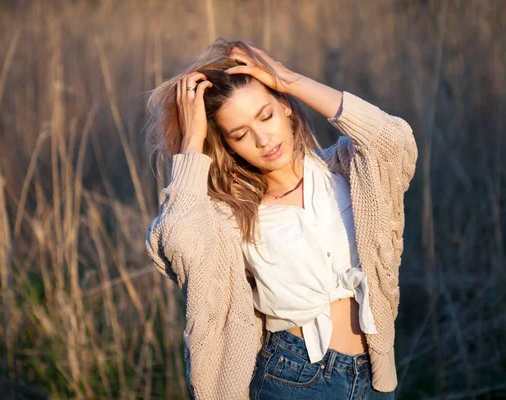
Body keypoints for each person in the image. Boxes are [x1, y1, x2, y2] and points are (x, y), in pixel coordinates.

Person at [144, 37, 418, 400]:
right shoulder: (230, 215)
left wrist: (288, 79)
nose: (262, 139)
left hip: (375, 378)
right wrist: (192, 142)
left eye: (266, 115)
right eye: (240, 134)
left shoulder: (346, 171)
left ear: (284, 106)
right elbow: (178, 240)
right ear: (227, 145)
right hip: (290, 379)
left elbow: (393, 140)